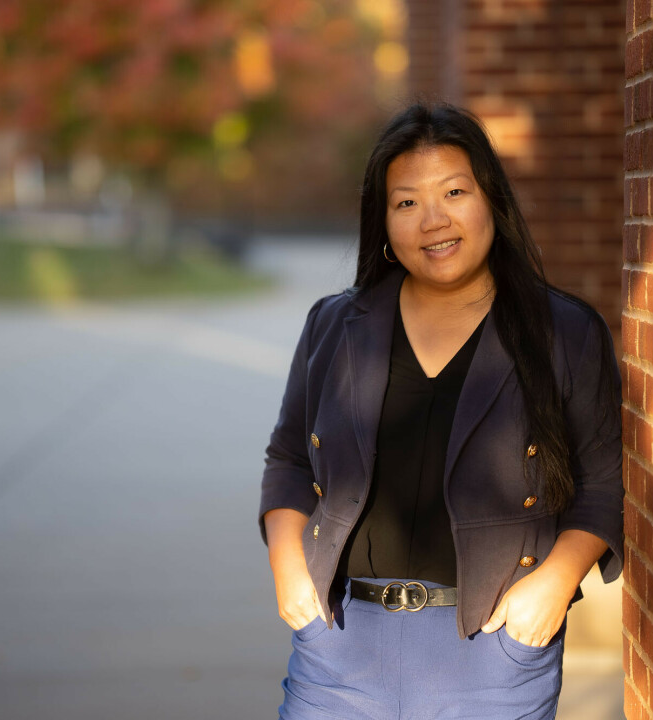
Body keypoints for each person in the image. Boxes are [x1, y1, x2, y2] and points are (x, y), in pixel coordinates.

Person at [259, 103, 623, 719]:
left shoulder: (563, 330)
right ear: (382, 222)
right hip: (339, 647)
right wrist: (288, 568)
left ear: (491, 202)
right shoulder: (334, 324)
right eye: (406, 203)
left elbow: (603, 480)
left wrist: (556, 584)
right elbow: (290, 457)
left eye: (454, 191)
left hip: (492, 651)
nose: (434, 220)